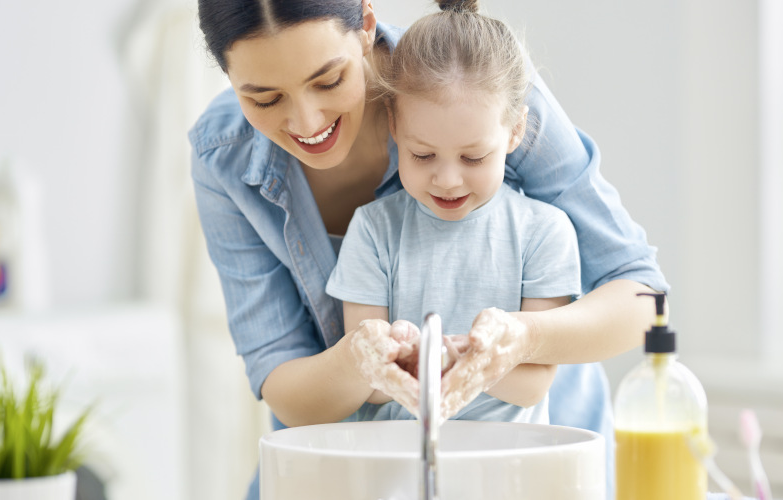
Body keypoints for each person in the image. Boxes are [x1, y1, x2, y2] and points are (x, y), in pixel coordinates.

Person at [189, 0, 669, 497]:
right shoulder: (222, 153)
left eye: (329, 81)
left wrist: (522, 340)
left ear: (366, 24)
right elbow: (280, 377)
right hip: (355, 460)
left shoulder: (476, 79)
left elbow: (642, 297)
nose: (307, 120)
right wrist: (356, 361)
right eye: (265, 99)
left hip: (531, 454)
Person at [325, 0, 580, 425]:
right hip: (398, 470)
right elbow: (367, 380)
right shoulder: (373, 231)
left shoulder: (544, 233)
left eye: (474, 158)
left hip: (507, 471)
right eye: (422, 155)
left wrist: (444, 355)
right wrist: (447, 357)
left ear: (515, 130)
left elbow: (531, 384)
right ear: (394, 126)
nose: (447, 180)